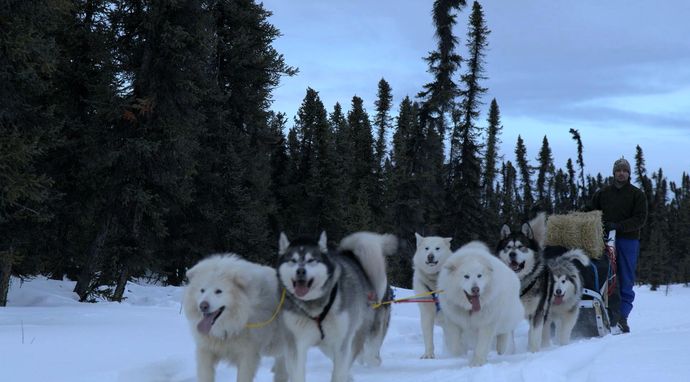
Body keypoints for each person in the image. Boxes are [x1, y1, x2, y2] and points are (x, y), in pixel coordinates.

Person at [590, 157, 647, 333]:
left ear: (629, 173)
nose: (621, 173)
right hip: (604, 239)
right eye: (618, 170)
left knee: (626, 277)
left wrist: (620, 226)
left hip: (627, 240)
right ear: (614, 172)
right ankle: (601, 312)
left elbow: (640, 219)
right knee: (602, 275)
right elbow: (592, 211)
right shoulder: (603, 193)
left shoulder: (636, 194)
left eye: (625, 170)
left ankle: (622, 317)